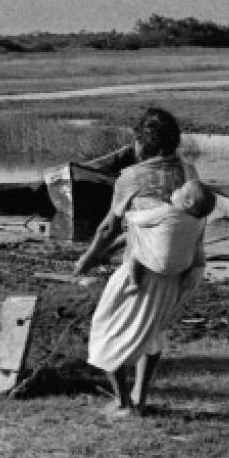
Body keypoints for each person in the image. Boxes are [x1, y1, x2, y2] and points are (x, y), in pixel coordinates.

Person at [74, 107, 204, 418]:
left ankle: (123, 403)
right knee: (152, 331)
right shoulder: (189, 173)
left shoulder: (130, 178)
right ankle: (139, 396)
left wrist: (88, 259)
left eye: (135, 141)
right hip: (178, 271)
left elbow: (109, 227)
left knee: (105, 327)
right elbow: (169, 222)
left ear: (143, 143)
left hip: (143, 269)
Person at [121, 179, 216, 296]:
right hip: (183, 266)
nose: (176, 189)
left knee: (135, 254)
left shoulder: (168, 212)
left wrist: (128, 214)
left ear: (188, 203)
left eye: (181, 189)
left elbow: (141, 219)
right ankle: (187, 280)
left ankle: (134, 282)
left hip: (158, 265)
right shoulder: (200, 221)